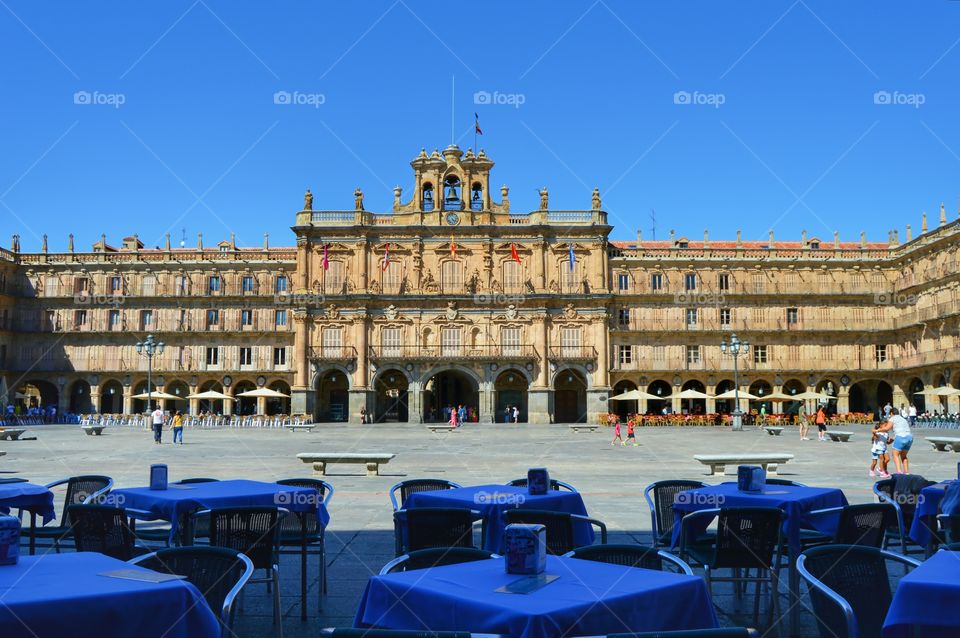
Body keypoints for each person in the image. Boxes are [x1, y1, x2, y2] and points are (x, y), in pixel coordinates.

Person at [875, 407, 912, 474]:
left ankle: (899, 471)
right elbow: (901, 430)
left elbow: (887, 428)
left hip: (900, 437)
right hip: (909, 437)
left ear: (892, 413)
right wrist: (892, 439)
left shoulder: (893, 418)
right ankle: (906, 472)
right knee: (904, 456)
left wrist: (877, 430)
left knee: (895, 454)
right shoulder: (903, 419)